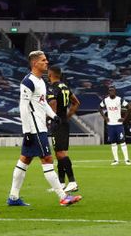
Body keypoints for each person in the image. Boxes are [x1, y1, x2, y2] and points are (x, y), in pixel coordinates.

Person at [7, 50, 82, 207]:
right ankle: (63, 196)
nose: (46, 62)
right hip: (34, 128)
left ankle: (13, 197)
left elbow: (42, 103)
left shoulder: (41, 81)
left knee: (24, 160)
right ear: (35, 63)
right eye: (43, 60)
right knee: (47, 159)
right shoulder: (28, 82)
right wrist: (26, 131)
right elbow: (23, 107)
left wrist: (53, 115)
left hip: (40, 125)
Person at [47, 65, 81, 193]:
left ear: (50, 74)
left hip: (57, 123)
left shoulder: (53, 88)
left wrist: (51, 118)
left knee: (61, 153)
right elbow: (76, 102)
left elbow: (53, 103)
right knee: (59, 153)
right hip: (64, 122)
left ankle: (72, 181)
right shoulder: (65, 86)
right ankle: (61, 183)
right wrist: (67, 116)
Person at [99, 86, 130, 165]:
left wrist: (124, 118)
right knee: (113, 142)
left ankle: (127, 159)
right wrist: (105, 117)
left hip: (118, 124)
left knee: (122, 141)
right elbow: (100, 108)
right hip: (110, 125)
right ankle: (116, 160)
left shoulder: (119, 99)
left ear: (115, 91)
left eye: (112, 91)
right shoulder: (106, 100)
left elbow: (129, 107)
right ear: (108, 92)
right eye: (110, 91)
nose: (111, 92)